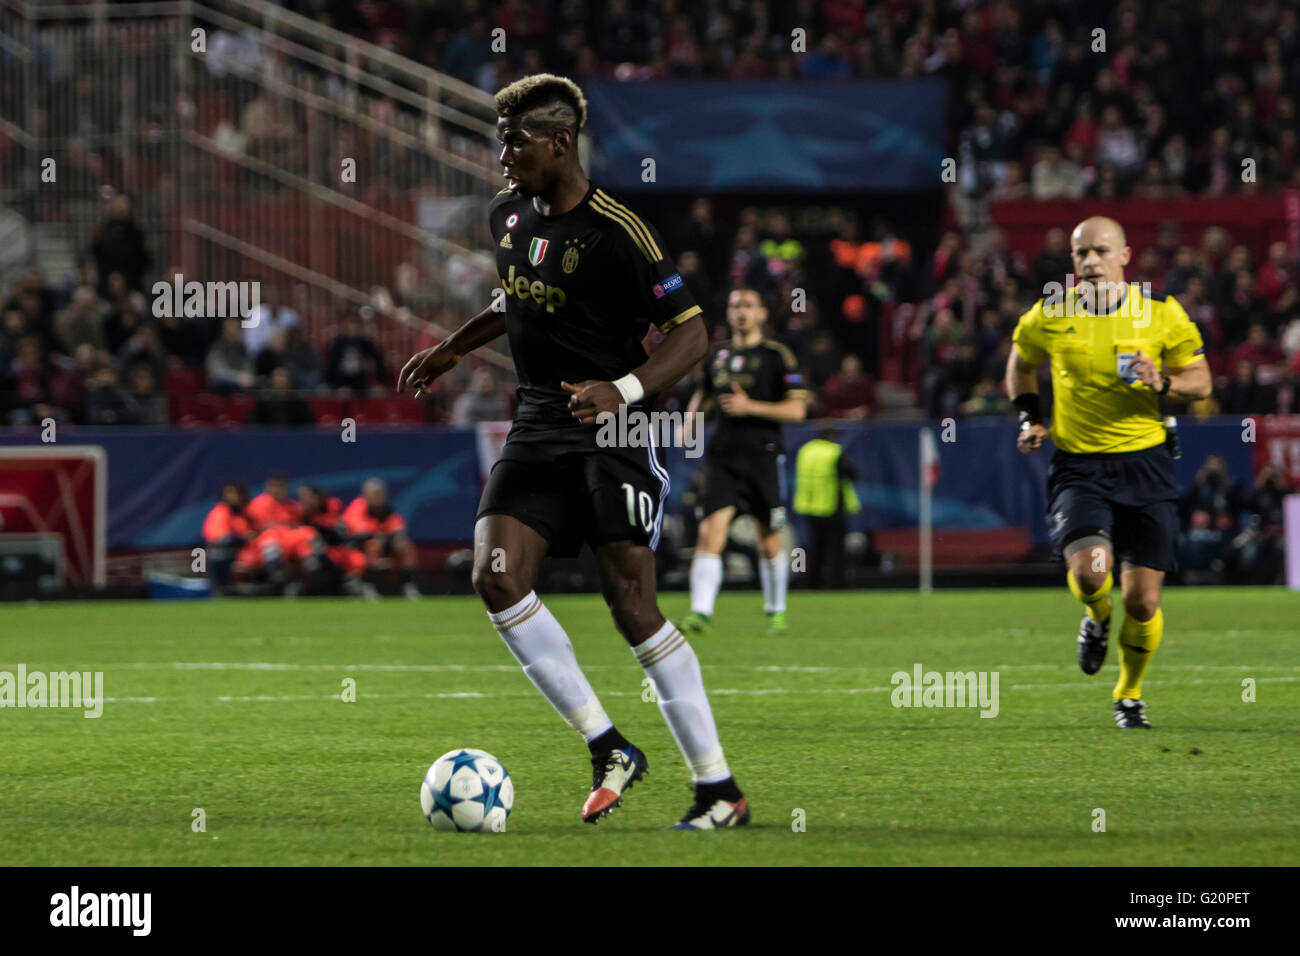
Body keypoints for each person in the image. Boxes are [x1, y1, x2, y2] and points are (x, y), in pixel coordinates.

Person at [398, 73, 747, 829]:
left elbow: (691, 333)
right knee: (494, 575)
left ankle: (717, 788)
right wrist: (454, 348)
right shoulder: (507, 216)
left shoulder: (620, 231)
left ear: (561, 142)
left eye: (516, 141)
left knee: (630, 604)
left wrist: (622, 389)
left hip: (614, 431)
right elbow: (518, 293)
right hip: (539, 424)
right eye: (499, 140)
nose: (503, 154)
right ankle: (608, 745)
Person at [1006, 216, 1212, 729]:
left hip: (1147, 463)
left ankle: (1129, 694)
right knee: (1090, 573)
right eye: (1081, 254)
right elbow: (1020, 362)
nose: (1090, 261)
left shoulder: (1161, 313)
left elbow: (1202, 381)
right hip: (1080, 465)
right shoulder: (1050, 313)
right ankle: (1096, 617)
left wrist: (1161, 380)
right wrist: (1031, 418)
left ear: (1125, 256)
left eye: (1100, 251)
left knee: (1143, 602)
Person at [680, 288, 809, 635]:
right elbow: (703, 393)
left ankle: (776, 611)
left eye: (749, 306)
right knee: (710, 531)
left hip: (763, 455)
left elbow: (798, 409)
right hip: (722, 456)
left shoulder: (777, 355)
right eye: (735, 305)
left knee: (768, 539)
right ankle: (700, 612)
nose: (741, 312)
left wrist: (752, 407)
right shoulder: (717, 355)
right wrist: (689, 422)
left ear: (763, 314)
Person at [792, 425, 860, 589]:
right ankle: (838, 581)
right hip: (831, 505)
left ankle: (814, 581)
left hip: (810, 505)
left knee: (816, 546)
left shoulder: (805, 451)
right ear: (831, 436)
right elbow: (851, 473)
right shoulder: (834, 451)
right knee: (836, 547)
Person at [342, 478, 420, 599]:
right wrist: (384, 537)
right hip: (358, 549)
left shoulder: (386, 509)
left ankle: (408, 585)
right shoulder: (357, 507)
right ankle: (368, 586)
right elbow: (363, 534)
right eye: (374, 494)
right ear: (366, 495)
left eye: (380, 494)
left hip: (383, 546)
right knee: (373, 546)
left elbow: (398, 529)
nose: (377, 497)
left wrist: (395, 538)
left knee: (405, 545)